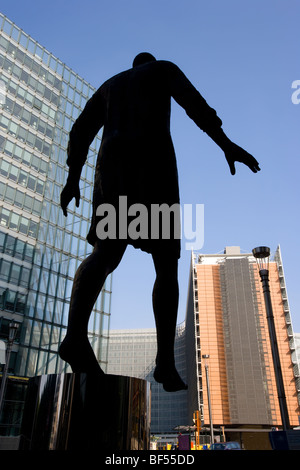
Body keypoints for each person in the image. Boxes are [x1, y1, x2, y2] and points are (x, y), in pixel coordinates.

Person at [59, 52, 260, 392]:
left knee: (105, 255)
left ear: (133, 65)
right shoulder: (162, 69)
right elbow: (195, 105)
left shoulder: (109, 86)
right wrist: (226, 144)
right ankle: (165, 361)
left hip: (112, 165)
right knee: (165, 264)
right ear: (149, 63)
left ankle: (75, 335)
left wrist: (72, 178)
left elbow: (79, 132)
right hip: (152, 163)